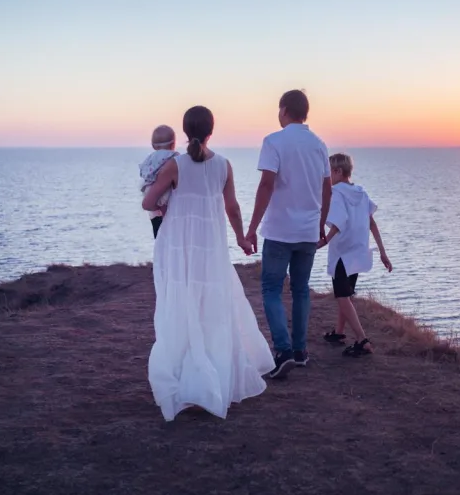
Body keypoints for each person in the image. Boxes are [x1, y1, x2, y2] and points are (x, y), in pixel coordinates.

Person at [142, 106, 275, 421]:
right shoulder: (224, 166)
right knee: (212, 307)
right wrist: (243, 238)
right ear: (211, 130)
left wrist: (164, 207)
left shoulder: (174, 166)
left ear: (185, 131)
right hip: (211, 248)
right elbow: (232, 208)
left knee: (179, 304)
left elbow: (148, 202)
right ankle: (214, 375)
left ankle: (183, 375)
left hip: (177, 248)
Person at [245, 90, 331, 378]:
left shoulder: (274, 141)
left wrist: (252, 227)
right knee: (300, 289)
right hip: (308, 229)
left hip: (280, 229)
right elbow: (326, 188)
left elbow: (266, 185)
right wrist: (321, 224)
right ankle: (300, 351)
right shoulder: (319, 145)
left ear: (283, 109)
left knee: (271, 288)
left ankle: (282, 351)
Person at [318, 153, 393, 356]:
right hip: (358, 252)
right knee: (346, 294)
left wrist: (320, 243)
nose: (326, 176)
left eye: (328, 172)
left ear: (338, 171)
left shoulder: (336, 193)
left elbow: (337, 223)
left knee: (342, 296)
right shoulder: (361, 192)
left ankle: (362, 340)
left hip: (342, 254)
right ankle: (339, 332)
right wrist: (382, 253)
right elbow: (371, 223)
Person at [139, 125, 178, 238]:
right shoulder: (173, 156)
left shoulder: (150, 157)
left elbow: (143, 170)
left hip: (148, 187)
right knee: (165, 208)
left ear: (153, 145)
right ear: (173, 144)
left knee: (157, 224)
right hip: (163, 190)